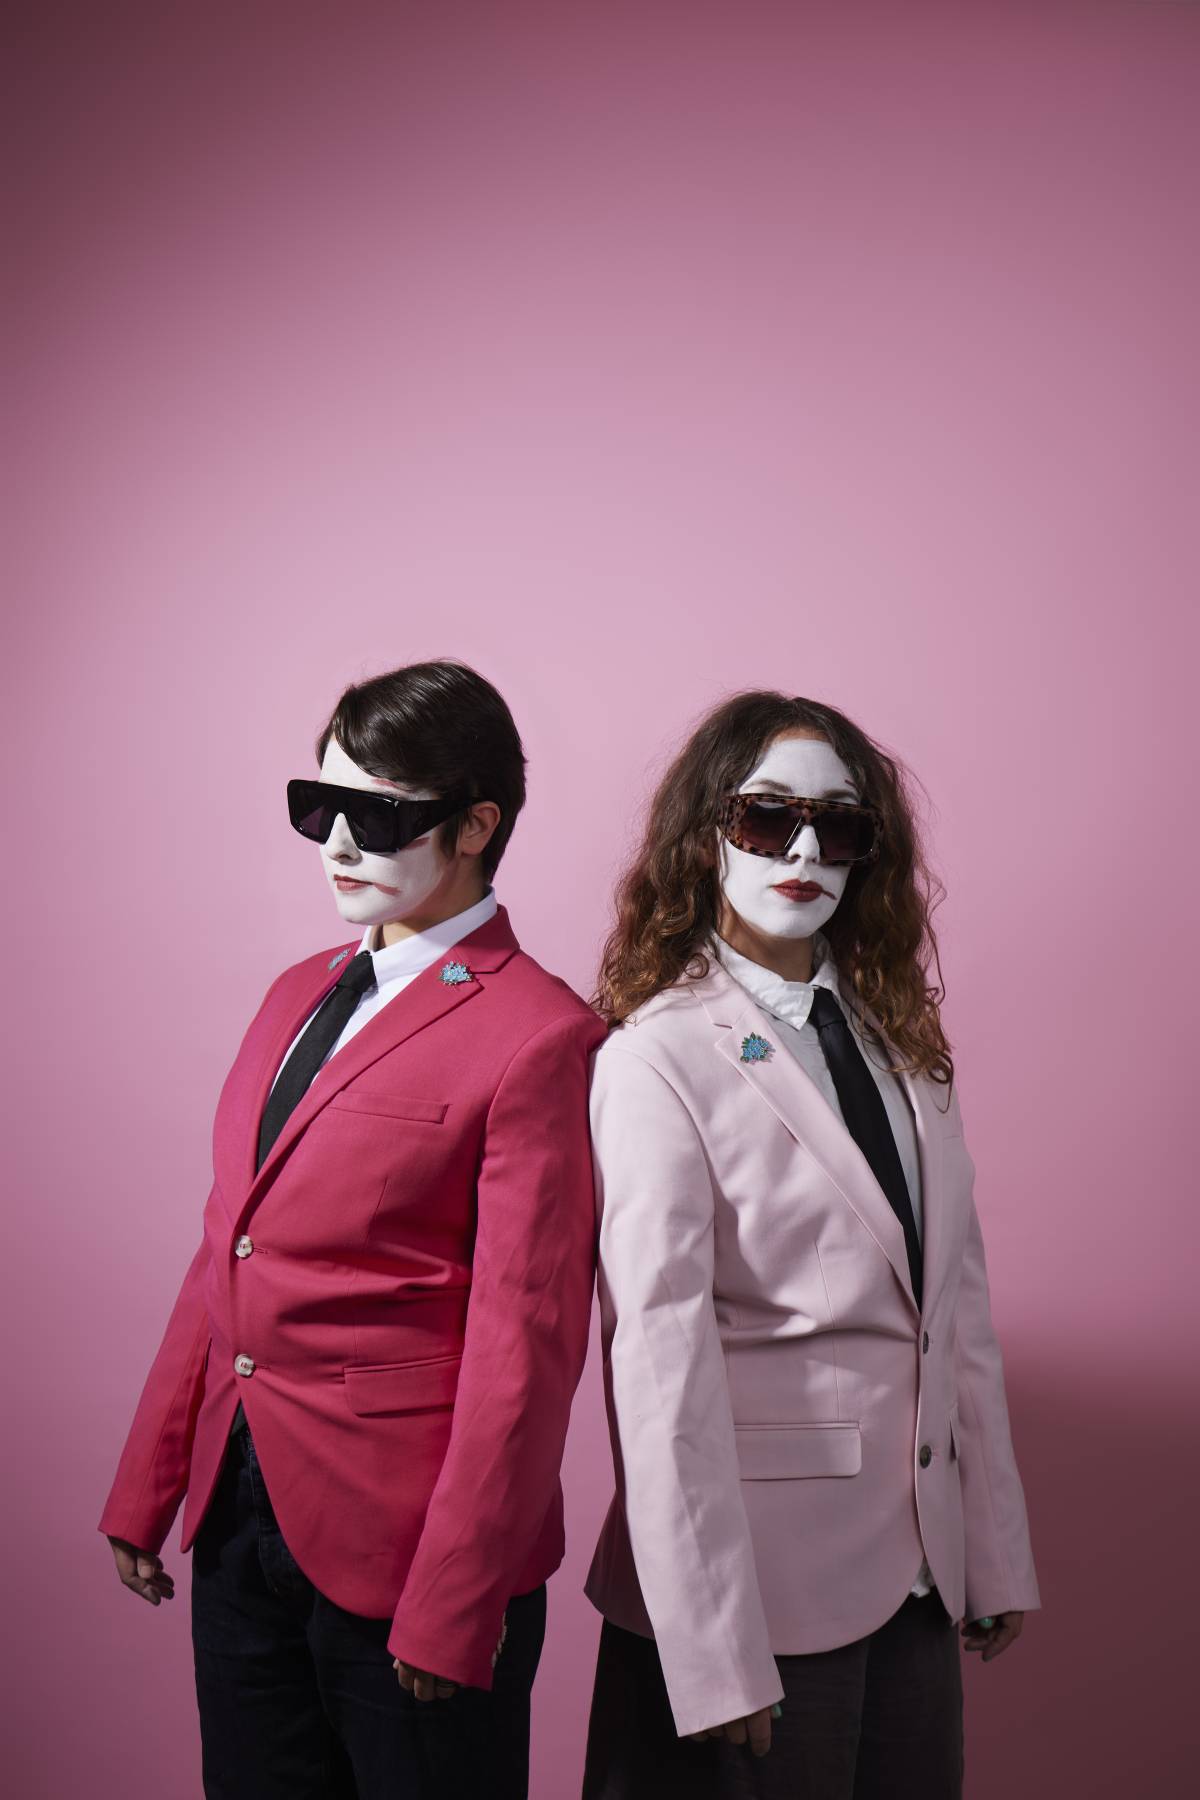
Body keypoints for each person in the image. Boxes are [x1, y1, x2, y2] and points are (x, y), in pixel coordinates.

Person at [99, 659, 606, 1800]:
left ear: (477, 825)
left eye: (376, 815)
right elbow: (228, 1245)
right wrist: (152, 1479)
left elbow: (525, 1342)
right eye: (316, 806)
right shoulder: (293, 991)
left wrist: (458, 1593)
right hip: (239, 1518)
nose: (336, 842)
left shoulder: (544, 1035)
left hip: (410, 1550)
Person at [581, 690, 1040, 1800]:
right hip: (753, 1601)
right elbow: (657, 1362)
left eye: (837, 827)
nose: (803, 852)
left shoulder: (905, 1048)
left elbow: (956, 1313)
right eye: (766, 818)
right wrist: (708, 1646)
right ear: (705, 839)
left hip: (919, 1579)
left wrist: (993, 1548)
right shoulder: (657, 1056)